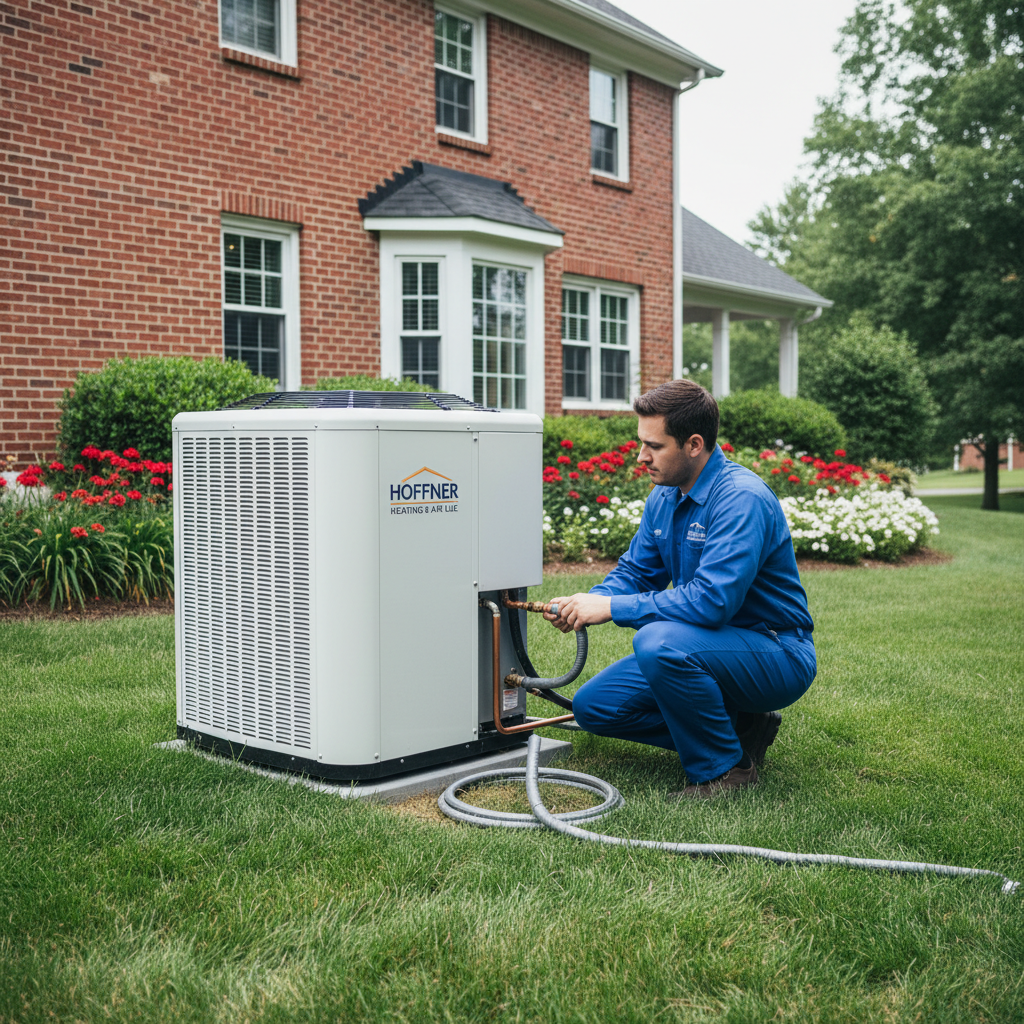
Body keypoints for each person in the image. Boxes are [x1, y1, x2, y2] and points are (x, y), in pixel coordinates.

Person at [545, 379, 816, 799]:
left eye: (654, 446)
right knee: (595, 707)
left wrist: (614, 608)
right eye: (642, 443)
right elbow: (637, 571)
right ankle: (742, 730)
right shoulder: (665, 496)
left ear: (694, 445)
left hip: (776, 651)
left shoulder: (740, 499)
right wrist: (592, 601)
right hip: (707, 644)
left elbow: (711, 602)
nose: (642, 456)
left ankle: (725, 771)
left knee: (658, 642)